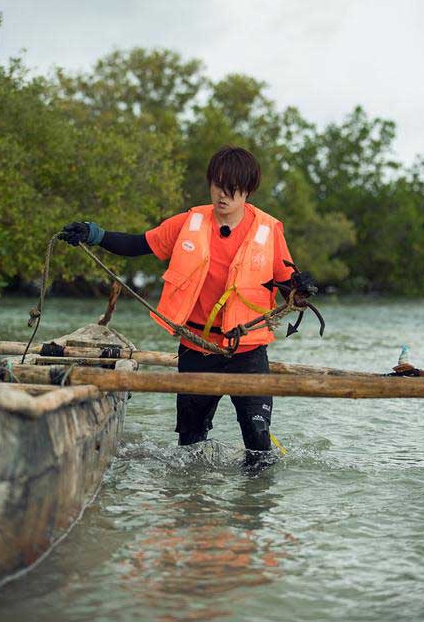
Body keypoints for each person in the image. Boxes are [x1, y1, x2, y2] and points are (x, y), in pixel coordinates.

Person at [59, 145, 314, 463]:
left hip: (247, 351)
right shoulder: (188, 222)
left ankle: (251, 509)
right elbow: (139, 243)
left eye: (232, 190)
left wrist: (301, 286)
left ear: (247, 191)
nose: (223, 196)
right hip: (196, 348)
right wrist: (94, 234)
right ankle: (191, 507)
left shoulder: (268, 230)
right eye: (218, 186)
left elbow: (287, 280)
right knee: (190, 446)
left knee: (259, 447)